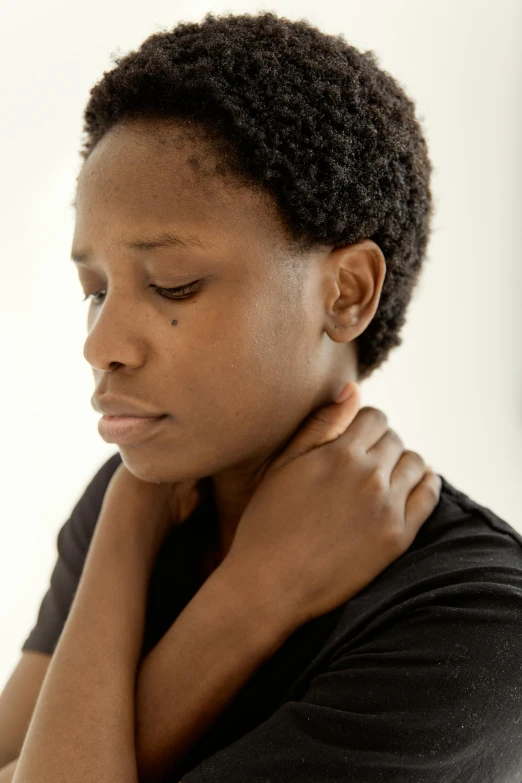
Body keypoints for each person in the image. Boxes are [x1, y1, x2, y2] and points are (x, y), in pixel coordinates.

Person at [1, 11, 521, 783]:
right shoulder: (140, 504)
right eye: (96, 289)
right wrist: (230, 587)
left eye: (173, 282)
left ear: (346, 291)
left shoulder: (475, 623)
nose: (100, 344)